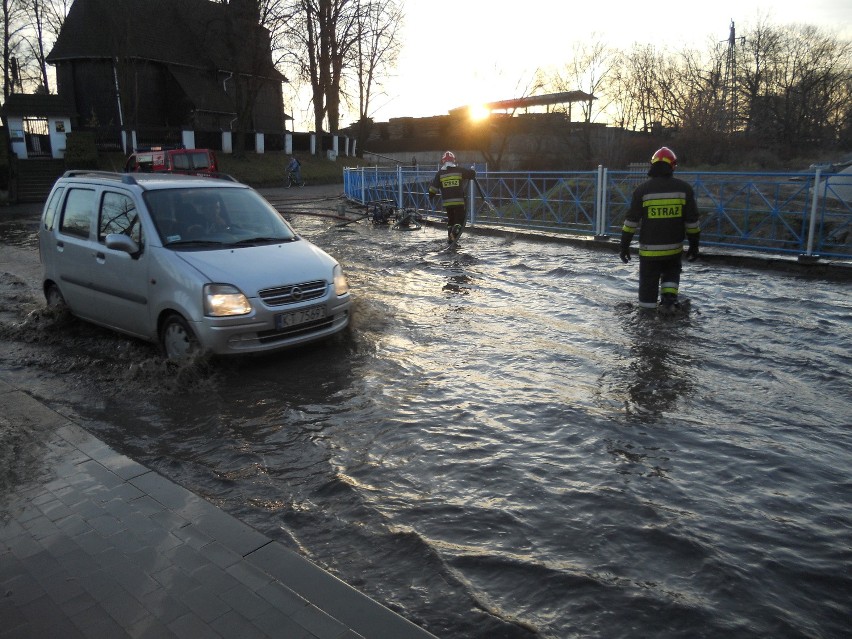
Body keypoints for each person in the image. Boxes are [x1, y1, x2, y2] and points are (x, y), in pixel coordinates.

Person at [620, 146, 700, 314]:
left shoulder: (641, 190)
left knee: (646, 303)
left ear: (652, 166)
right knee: (671, 279)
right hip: (673, 251)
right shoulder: (684, 189)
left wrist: (624, 246)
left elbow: (631, 222)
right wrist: (694, 246)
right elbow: (692, 223)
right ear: (673, 166)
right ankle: (669, 304)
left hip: (649, 254)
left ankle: (646, 323)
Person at [429, 151, 476, 243]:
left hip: (447, 203)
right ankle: (454, 234)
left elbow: (433, 188)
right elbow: (471, 174)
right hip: (459, 201)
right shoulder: (459, 170)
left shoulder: (440, 173)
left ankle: (450, 238)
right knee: (460, 220)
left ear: (443, 161)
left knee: (451, 220)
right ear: (453, 161)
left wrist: (431, 195)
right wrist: (473, 171)